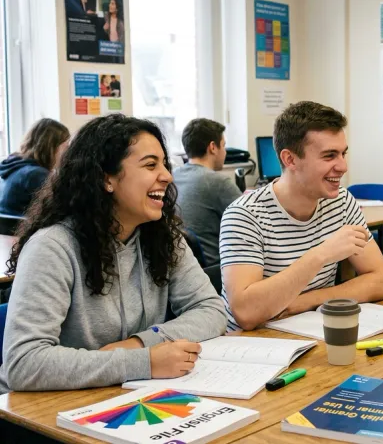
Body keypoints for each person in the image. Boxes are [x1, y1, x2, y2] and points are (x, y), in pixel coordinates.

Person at [0, 114, 227, 392]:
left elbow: (212, 310)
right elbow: (24, 364)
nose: (167, 175)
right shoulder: (52, 247)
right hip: (43, 413)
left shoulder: (162, 236)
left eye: (164, 164)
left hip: (120, 395)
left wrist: (141, 343)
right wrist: (142, 362)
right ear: (106, 179)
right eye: (150, 165)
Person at [220, 101, 383, 331]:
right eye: (329, 156)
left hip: (306, 330)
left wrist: (303, 301)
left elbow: (381, 281)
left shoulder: (341, 201)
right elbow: (247, 313)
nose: (343, 166)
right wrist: (321, 254)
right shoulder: (244, 215)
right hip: (250, 346)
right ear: (290, 159)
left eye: (343, 153)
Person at [173, 118, 242, 267]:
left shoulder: (173, 176)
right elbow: (253, 222)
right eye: (223, 146)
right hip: (216, 271)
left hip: (185, 266)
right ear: (213, 147)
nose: (224, 152)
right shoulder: (218, 183)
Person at [0, 118, 70, 217]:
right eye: (65, 147)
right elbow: (61, 209)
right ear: (50, 147)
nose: (67, 152)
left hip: (8, 231)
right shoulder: (35, 174)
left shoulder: (13, 168)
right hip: (27, 231)